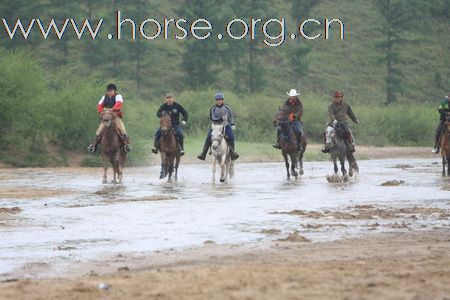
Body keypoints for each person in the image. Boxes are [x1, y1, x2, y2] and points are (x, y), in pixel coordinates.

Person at [87, 83, 132, 153]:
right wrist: (101, 111)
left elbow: (119, 103)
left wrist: (112, 109)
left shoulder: (118, 96)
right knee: (98, 131)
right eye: (109, 91)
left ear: (114, 91)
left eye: (111, 91)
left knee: (123, 130)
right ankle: (93, 146)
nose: (110, 92)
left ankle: (127, 145)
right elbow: (99, 105)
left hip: (115, 117)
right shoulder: (104, 97)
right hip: (106, 117)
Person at [197, 92, 239, 161]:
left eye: (220, 100)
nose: (219, 101)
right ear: (215, 101)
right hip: (215, 126)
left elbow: (231, 116)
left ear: (223, 100)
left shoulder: (227, 108)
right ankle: (203, 154)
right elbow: (212, 118)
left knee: (231, 137)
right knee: (208, 138)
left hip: (226, 125)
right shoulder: (213, 109)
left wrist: (232, 124)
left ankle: (232, 153)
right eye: (217, 100)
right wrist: (221, 118)